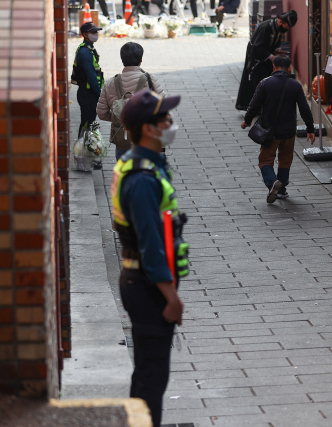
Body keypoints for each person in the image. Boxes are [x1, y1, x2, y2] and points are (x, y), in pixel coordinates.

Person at [112, 89, 188, 427]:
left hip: (142, 281)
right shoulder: (141, 179)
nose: (172, 124)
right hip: (146, 286)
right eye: (166, 119)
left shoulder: (142, 165)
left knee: (148, 373)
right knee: (152, 379)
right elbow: (151, 244)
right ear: (148, 129)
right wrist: (170, 297)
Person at [241, 55, 315, 203]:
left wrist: (247, 121)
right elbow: (304, 108)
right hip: (288, 131)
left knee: (265, 159)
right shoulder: (295, 85)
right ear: (288, 68)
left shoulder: (265, 84)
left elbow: (253, 105)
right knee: (285, 160)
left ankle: (272, 182)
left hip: (270, 131)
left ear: (273, 67)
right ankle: (281, 190)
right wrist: (310, 128)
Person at [97, 42, 164, 160]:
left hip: (122, 140)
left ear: (122, 59)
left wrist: (118, 117)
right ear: (141, 59)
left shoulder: (110, 83)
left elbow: (102, 113)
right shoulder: (150, 79)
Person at [235, 10, 298, 111]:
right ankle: (256, 108)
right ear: (281, 22)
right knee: (257, 81)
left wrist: (278, 51)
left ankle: (264, 107)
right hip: (257, 57)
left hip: (267, 58)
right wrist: (272, 57)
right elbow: (258, 47)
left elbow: (274, 43)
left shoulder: (278, 29)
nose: (286, 30)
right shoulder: (266, 27)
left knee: (267, 80)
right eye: (286, 27)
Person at [72, 22, 104, 138]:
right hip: (88, 94)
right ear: (85, 34)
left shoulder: (88, 49)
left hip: (88, 92)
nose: (96, 34)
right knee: (87, 123)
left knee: (88, 122)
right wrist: (100, 94)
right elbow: (91, 77)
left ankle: (85, 147)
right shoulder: (85, 53)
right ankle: (82, 149)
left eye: (96, 31)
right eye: (93, 32)